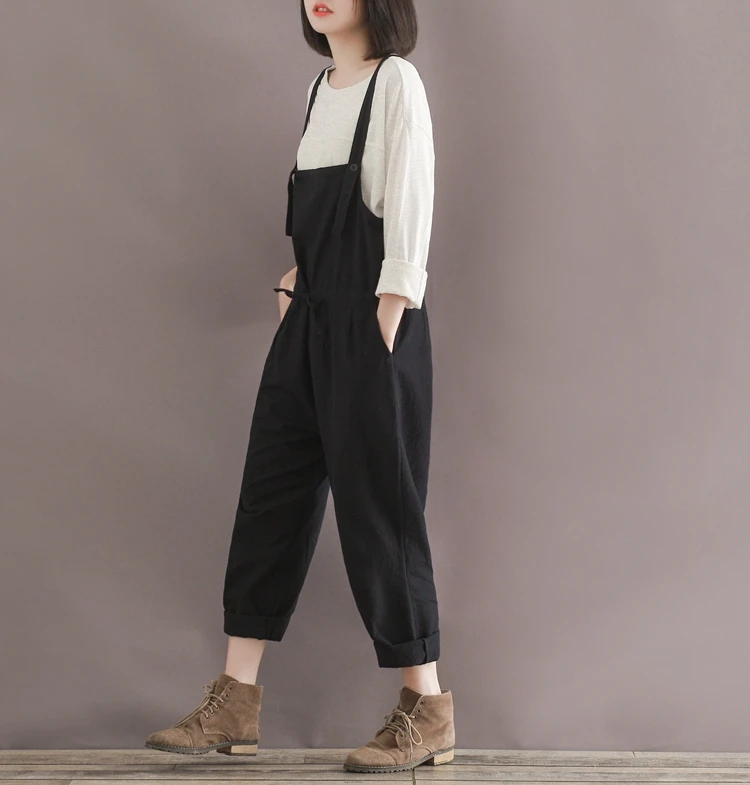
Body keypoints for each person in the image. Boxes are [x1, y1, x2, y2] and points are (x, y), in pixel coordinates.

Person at [145, 0, 454, 773]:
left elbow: (408, 197)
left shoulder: (395, 83)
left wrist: (390, 307)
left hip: (371, 323)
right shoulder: (321, 90)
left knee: (379, 509)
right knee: (270, 496)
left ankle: (428, 707)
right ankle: (236, 697)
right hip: (310, 318)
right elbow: (326, 218)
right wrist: (296, 279)